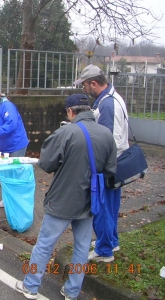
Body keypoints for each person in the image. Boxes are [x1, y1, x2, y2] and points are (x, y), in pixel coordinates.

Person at [15, 94, 117, 300]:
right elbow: (110, 169)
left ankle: (31, 286)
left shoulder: (66, 132)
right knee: (81, 247)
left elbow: (46, 164)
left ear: (71, 111)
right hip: (90, 201)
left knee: (44, 244)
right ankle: (72, 291)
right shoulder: (106, 134)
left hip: (62, 199)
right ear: (88, 109)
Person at [74, 64, 129, 262]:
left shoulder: (107, 104)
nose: (84, 89)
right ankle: (110, 241)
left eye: (85, 85)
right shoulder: (109, 99)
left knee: (103, 207)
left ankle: (104, 250)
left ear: (94, 83)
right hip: (115, 163)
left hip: (108, 165)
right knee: (110, 207)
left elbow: (108, 140)